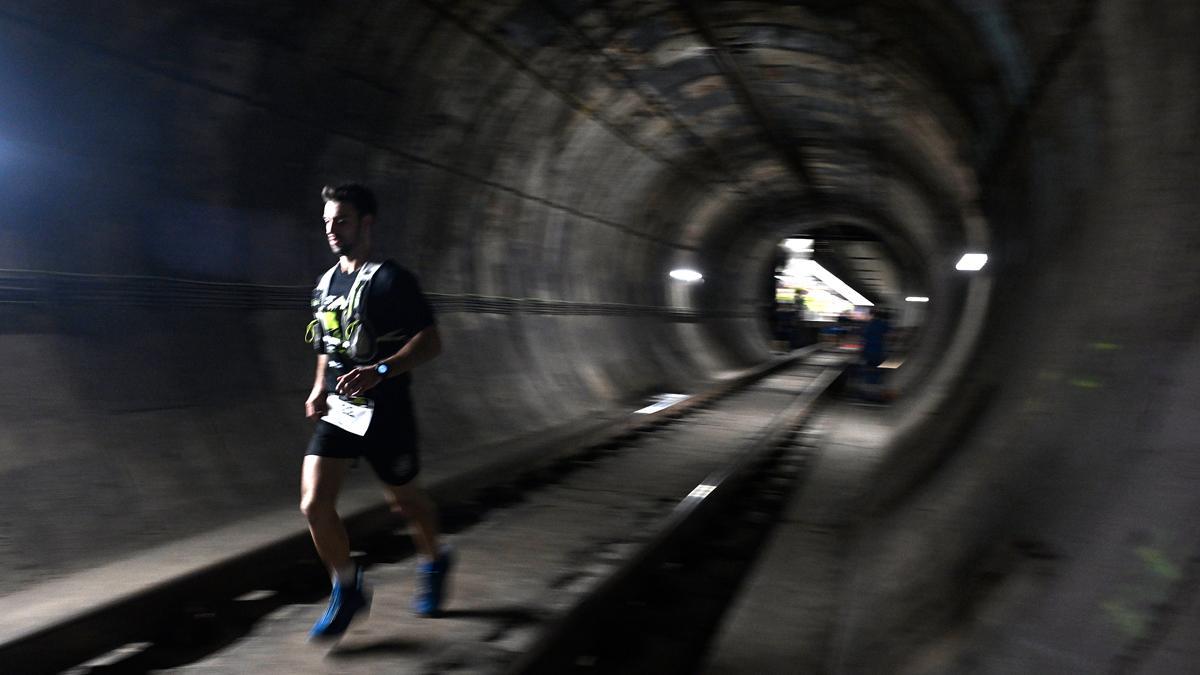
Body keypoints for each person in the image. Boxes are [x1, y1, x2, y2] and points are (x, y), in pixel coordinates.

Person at [301, 183, 452, 640]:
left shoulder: (392, 280)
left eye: (342, 220)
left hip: (387, 411)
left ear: (366, 223)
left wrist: (381, 370)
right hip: (342, 409)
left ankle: (435, 559)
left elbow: (431, 341)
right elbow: (327, 344)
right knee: (314, 503)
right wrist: (318, 387)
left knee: (404, 502)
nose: (332, 229)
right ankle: (347, 588)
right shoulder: (325, 284)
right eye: (328, 222)